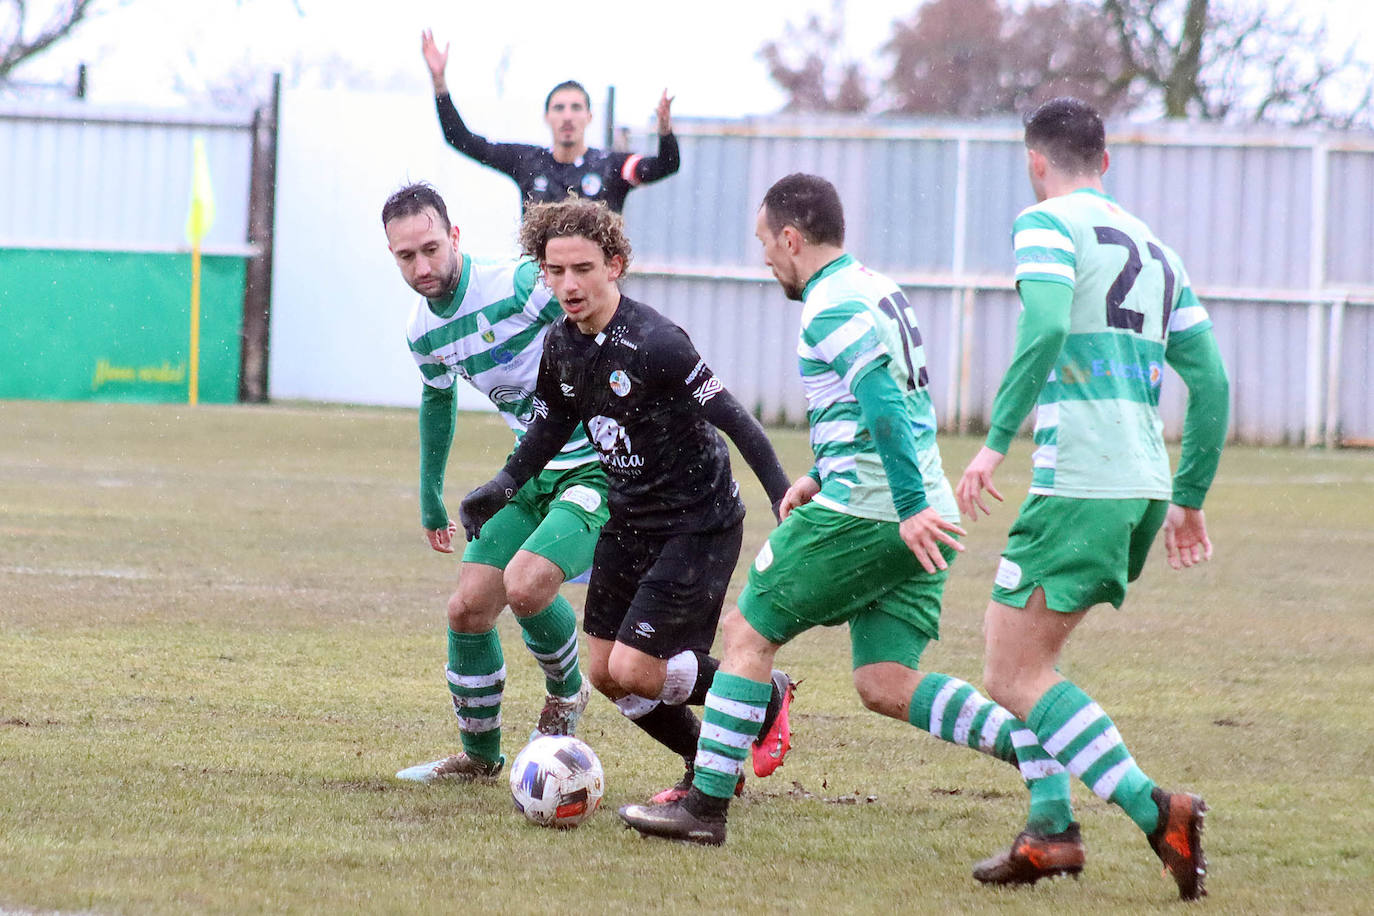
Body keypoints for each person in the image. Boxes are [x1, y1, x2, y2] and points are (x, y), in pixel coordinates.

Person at [619, 173, 1042, 847]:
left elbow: (882, 402)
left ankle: (704, 805)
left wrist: (898, 505)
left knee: (748, 634)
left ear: (791, 237)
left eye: (765, 242)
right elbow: (888, 404)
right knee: (885, 680)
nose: (763, 258)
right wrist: (821, 470)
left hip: (876, 511)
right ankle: (1039, 753)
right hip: (922, 510)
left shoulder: (829, 306)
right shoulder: (877, 289)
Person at [954, 97, 1230, 901]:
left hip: (1082, 478)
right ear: (1104, 162)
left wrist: (994, 439)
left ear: (1035, 162)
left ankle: (1157, 811)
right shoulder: (1156, 248)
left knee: (1010, 671)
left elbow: (1041, 328)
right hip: (1140, 484)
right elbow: (1211, 381)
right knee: (1030, 661)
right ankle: (1049, 831)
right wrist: (1190, 495)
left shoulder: (1045, 223)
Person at [458, 197, 795, 799]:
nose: (569, 284)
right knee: (606, 675)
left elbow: (735, 419)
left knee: (637, 669)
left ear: (614, 264)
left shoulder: (657, 342)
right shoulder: (562, 344)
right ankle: (707, 763)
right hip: (629, 515)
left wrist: (780, 493)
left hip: (697, 522)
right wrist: (503, 485)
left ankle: (765, 694)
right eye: (555, 271)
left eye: (583, 268)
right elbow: (548, 425)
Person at [381, 182, 609, 784]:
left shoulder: (516, 286)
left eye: (431, 248)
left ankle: (565, 699)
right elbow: (438, 399)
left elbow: (598, 319)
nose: (422, 267)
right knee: (468, 607)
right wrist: (430, 493)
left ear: (454, 236)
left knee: (527, 586)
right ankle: (479, 759)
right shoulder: (422, 332)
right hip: (529, 472)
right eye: (405, 257)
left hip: (598, 467)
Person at [421, 29, 680, 215]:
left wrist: (665, 131)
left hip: (595, 290)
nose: (567, 115)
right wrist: (439, 82)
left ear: (589, 117)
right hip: (537, 288)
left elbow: (666, 166)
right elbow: (461, 139)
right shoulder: (527, 161)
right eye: (559, 108)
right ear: (547, 117)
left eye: (576, 107)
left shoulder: (611, 166)